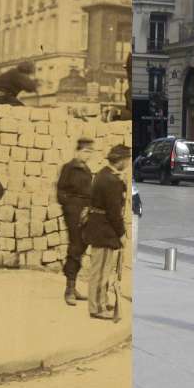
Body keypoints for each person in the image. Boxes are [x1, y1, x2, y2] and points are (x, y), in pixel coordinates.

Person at [83, 144, 131, 320]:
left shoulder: (105, 174)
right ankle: (96, 308)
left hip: (100, 228)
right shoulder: (111, 181)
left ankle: (101, 301)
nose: (128, 163)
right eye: (126, 160)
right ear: (119, 161)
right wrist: (122, 234)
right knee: (101, 271)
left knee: (101, 270)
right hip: (104, 230)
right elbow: (113, 212)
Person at [57, 137, 94, 306]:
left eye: (90, 152)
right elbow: (61, 193)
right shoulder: (68, 168)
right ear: (78, 151)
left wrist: (87, 209)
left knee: (81, 246)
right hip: (73, 212)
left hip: (86, 212)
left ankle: (74, 285)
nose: (88, 155)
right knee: (75, 246)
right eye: (86, 151)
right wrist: (72, 209)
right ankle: (69, 289)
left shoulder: (87, 170)